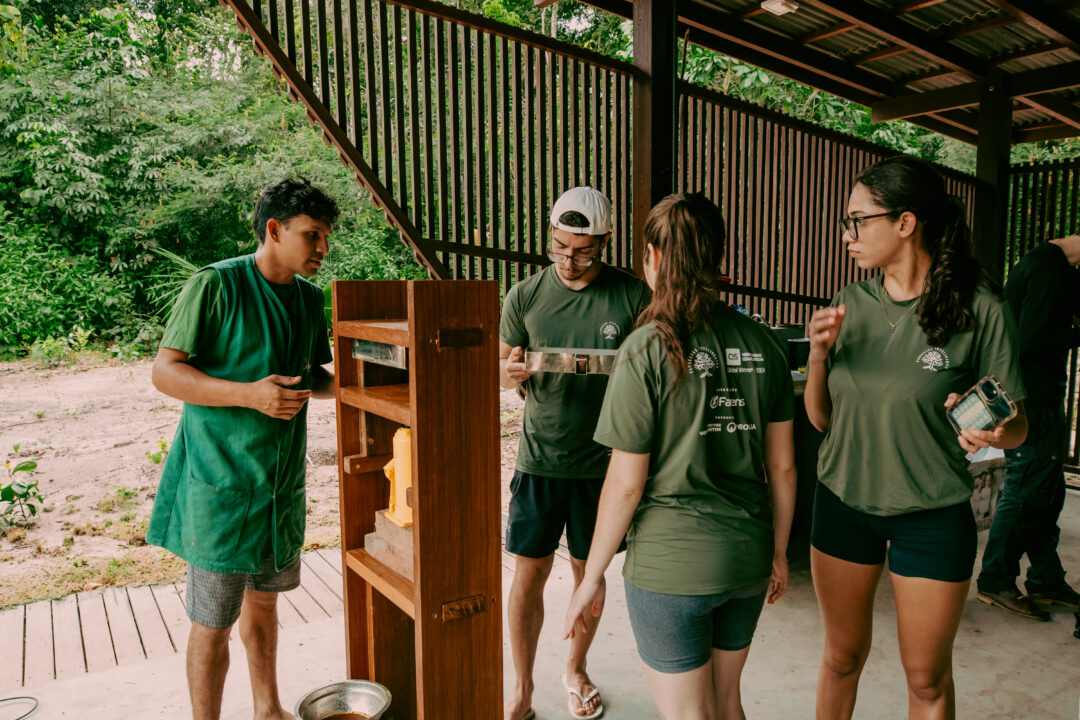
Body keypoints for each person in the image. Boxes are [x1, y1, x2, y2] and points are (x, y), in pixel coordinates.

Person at [804, 156, 1028, 720]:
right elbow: (822, 420)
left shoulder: (981, 308)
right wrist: (818, 356)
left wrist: (996, 428)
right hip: (842, 503)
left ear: (905, 222)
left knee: (927, 680)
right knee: (840, 658)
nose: (847, 233)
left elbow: (1019, 426)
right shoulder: (851, 302)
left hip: (931, 513)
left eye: (858, 220)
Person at [564, 193, 797, 720]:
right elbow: (782, 467)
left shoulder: (646, 347)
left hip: (672, 568)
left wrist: (593, 575)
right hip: (748, 555)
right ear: (717, 256)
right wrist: (779, 551)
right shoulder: (764, 343)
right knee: (727, 704)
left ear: (651, 257)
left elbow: (626, 484)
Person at [145, 178, 337, 720]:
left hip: (278, 488)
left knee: (265, 603)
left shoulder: (309, 298)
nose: (323, 248)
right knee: (212, 623)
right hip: (221, 485)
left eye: (326, 237)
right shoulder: (216, 284)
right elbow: (165, 372)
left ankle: (268, 710)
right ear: (274, 230)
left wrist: (373, 380)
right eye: (313, 235)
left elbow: (315, 377)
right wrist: (248, 395)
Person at [500, 186, 651, 720]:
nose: (568, 261)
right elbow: (499, 367)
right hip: (539, 459)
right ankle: (521, 685)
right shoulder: (525, 295)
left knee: (590, 573)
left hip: (605, 467)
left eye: (583, 252)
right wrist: (506, 373)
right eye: (559, 248)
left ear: (604, 243)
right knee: (529, 575)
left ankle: (576, 669)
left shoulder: (632, 297)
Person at [976, 233, 1080, 619]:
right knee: (1024, 494)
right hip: (1031, 401)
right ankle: (995, 579)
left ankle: (1046, 579)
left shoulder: (1058, 269)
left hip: (1044, 398)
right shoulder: (1044, 270)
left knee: (1047, 495)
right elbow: (1030, 341)